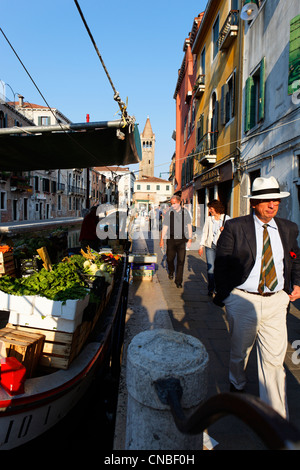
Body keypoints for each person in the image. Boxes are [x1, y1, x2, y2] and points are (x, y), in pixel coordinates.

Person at [213, 176, 300, 419]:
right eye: (266, 201)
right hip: (243, 300)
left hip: (276, 300)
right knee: (240, 351)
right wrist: (228, 295)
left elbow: (295, 258)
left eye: (276, 200)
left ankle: (276, 421)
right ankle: (237, 381)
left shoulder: (289, 228)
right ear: (254, 203)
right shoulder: (236, 227)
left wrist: (297, 285)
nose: (272, 205)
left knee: (274, 363)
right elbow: (221, 263)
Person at [198, 199, 230, 296]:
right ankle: (211, 289)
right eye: (209, 209)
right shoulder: (209, 219)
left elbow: (232, 233)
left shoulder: (227, 219)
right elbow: (205, 232)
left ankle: (218, 288)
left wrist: (225, 230)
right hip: (210, 246)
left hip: (222, 247)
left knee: (220, 268)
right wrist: (201, 246)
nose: (210, 210)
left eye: (211, 208)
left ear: (216, 208)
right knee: (210, 269)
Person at [159, 195, 192, 288]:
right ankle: (171, 271)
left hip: (182, 240)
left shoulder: (185, 213)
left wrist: (190, 239)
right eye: (171, 203)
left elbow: (189, 226)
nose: (172, 205)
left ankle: (178, 281)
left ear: (179, 202)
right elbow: (165, 226)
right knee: (169, 259)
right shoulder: (169, 213)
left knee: (181, 261)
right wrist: (161, 239)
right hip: (171, 239)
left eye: (174, 203)